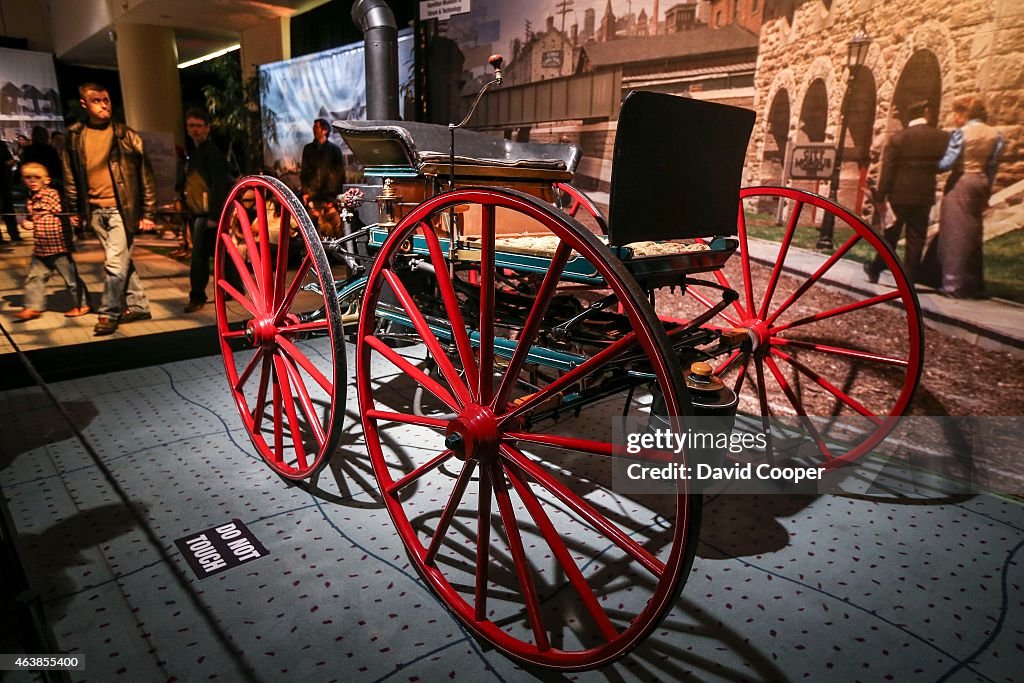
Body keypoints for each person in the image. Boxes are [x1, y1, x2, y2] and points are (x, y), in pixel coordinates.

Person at [62, 83, 156, 336]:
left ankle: (108, 313)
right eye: (97, 101)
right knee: (121, 259)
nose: (104, 105)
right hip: (93, 211)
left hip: (121, 211)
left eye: (107, 99)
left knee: (114, 264)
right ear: (85, 104)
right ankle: (138, 305)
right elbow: (70, 175)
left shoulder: (127, 135)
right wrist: (74, 209)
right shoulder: (74, 136)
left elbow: (146, 175)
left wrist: (148, 213)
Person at [864, 101, 950, 285]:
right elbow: (943, 164)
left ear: (908, 117)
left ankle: (877, 267)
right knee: (917, 236)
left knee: (891, 235)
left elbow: (888, 170)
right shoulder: (940, 137)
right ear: (924, 115)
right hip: (924, 193)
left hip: (899, 194)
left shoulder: (898, 139)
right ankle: (909, 278)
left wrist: (881, 195)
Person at [934, 96, 1004, 299]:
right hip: (981, 180)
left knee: (955, 233)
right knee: (973, 232)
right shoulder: (995, 135)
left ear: (964, 114)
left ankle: (952, 284)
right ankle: (973, 283)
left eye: (957, 113)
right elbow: (992, 166)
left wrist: (932, 165)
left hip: (961, 181)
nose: (955, 118)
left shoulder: (961, 134)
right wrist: (987, 191)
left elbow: (948, 162)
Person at [12, 162, 90, 321]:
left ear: (46, 180)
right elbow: (35, 217)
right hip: (41, 245)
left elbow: (64, 212)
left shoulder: (51, 195)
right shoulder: (31, 198)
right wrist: (28, 222)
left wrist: (75, 220)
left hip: (58, 245)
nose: (32, 181)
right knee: (35, 277)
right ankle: (33, 307)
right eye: (28, 178)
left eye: (36, 178)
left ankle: (82, 304)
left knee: (71, 278)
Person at [181, 108, 230, 313]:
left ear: (207, 129)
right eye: (191, 126)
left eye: (198, 126)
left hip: (206, 213)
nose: (195, 130)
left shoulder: (211, 152)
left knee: (199, 258)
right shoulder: (194, 152)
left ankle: (197, 297)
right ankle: (235, 288)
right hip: (197, 212)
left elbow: (220, 185)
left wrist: (215, 215)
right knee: (220, 252)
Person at [299, 118, 345, 213]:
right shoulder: (308, 149)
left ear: (325, 130)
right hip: (313, 194)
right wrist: (305, 192)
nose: (314, 129)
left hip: (330, 196)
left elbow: (340, 174)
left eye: (317, 127)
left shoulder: (334, 150)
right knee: (312, 223)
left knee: (330, 224)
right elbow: (304, 171)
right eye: (314, 127)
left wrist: (336, 195)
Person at [0, 140, 21, 242]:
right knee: (8, 207)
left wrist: (10, 163)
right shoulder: (2, 145)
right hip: (4, 179)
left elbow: (9, 160)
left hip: (4, 180)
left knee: (8, 207)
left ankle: (14, 234)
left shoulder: (2, 145)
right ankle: (14, 234)